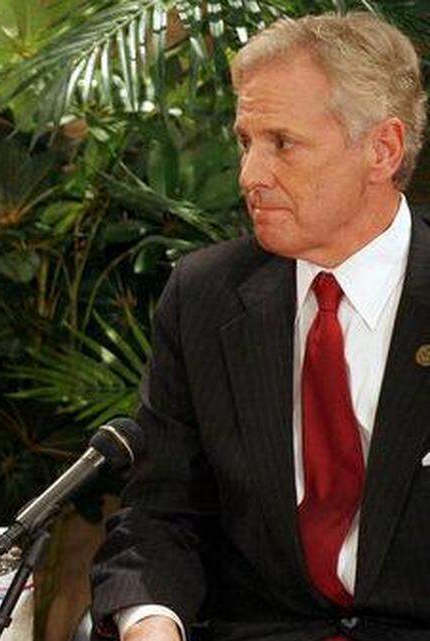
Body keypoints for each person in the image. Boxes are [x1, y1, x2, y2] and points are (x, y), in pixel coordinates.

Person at [90, 12, 430, 641]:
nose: (250, 176)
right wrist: (151, 622)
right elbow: (161, 512)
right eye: (246, 141)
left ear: (382, 149)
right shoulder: (205, 296)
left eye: (283, 143)